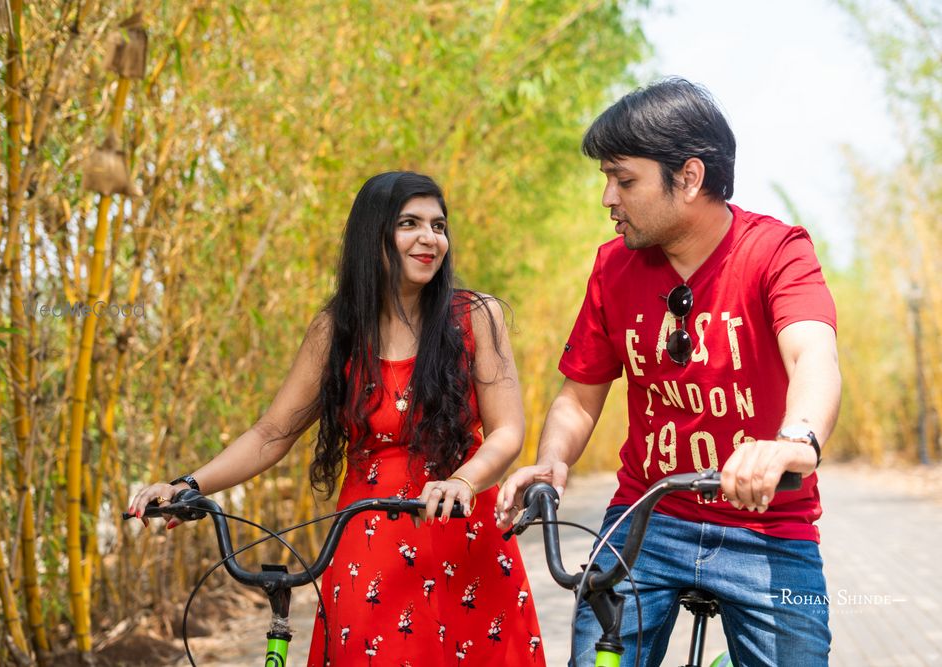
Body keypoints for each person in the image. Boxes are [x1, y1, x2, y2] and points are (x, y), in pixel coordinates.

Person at [129, 172, 547, 666]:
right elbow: (272, 433)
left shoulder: (476, 315)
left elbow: (508, 432)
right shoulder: (338, 330)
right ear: (373, 236)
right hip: (368, 539)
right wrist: (189, 484)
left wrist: (462, 481)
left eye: (439, 225)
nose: (429, 238)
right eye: (409, 223)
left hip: (463, 525)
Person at [496, 78, 840, 667]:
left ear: (689, 177)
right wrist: (553, 462)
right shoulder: (613, 266)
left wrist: (794, 442)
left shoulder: (776, 252)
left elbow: (814, 356)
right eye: (606, 179)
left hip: (768, 528)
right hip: (646, 518)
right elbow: (579, 397)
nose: (608, 197)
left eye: (624, 180)